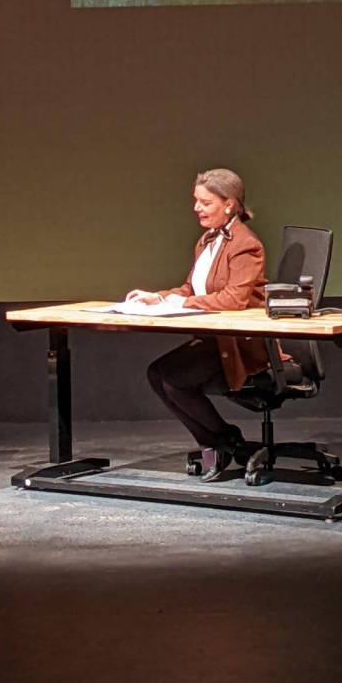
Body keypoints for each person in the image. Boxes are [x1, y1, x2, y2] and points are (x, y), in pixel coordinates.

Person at [126, 169, 268, 482]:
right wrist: (159, 297)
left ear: (229, 204)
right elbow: (192, 288)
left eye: (205, 202)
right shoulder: (207, 240)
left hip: (241, 345)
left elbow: (234, 299)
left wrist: (182, 304)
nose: (196, 208)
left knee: (174, 379)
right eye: (196, 202)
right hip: (214, 339)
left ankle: (224, 440)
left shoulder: (246, 245)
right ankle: (219, 441)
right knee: (157, 373)